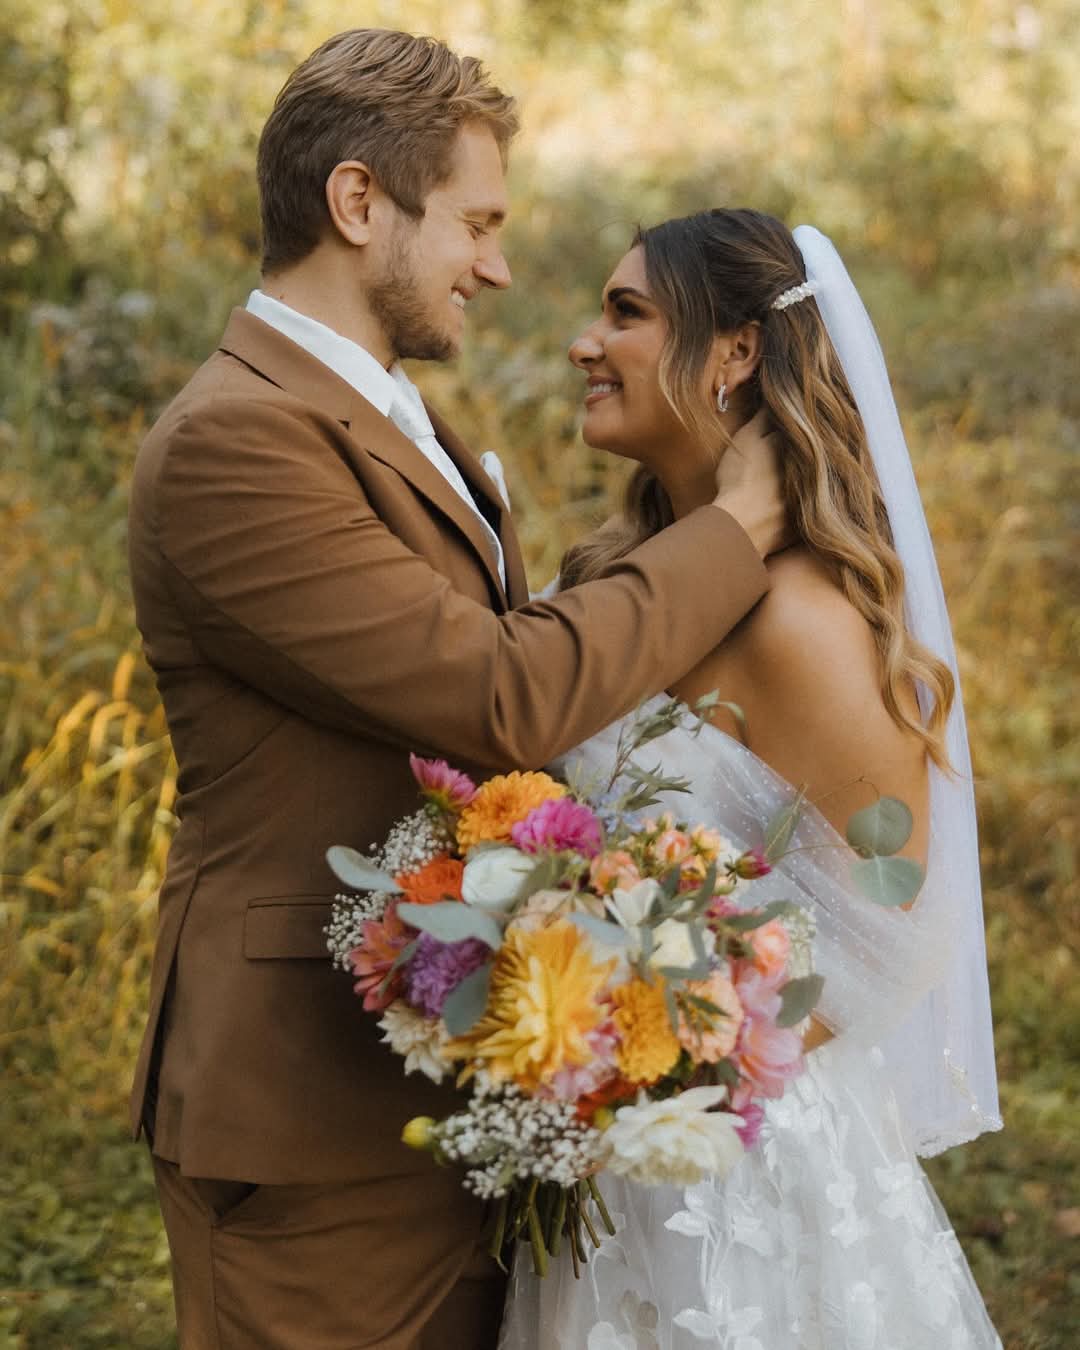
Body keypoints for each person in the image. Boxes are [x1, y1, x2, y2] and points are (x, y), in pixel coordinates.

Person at [126, 33, 787, 1350]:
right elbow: (504, 694)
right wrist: (742, 522)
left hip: (446, 1088)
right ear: (361, 203)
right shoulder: (235, 441)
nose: (494, 265)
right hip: (306, 1118)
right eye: (475, 224)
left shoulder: (372, 409)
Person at [498, 210, 1003, 1348]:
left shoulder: (804, 622)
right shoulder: (619, 582)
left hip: (747, 1178)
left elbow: (891, 928)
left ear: (734, 354)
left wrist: (657, 1049)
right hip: (605, 1159)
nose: (585, 342)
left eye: (626, 313)